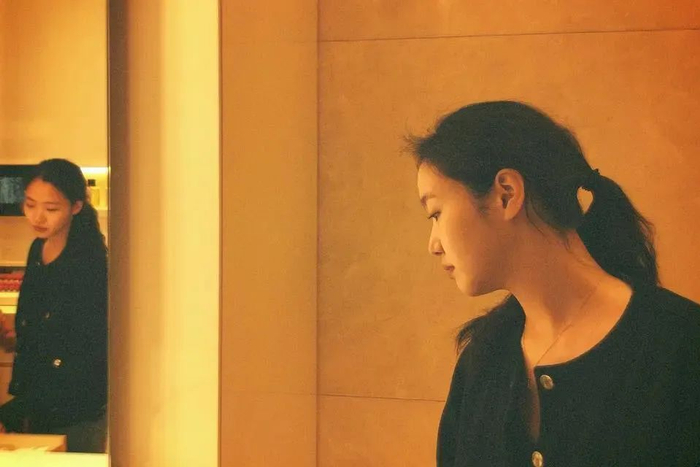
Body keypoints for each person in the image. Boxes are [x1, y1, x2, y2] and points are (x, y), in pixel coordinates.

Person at [411, 101, 700, 467]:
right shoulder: (482, 360)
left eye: (436, 213)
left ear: (506, 194)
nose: (433, 245)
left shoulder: (681, 345)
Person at [0, 159, 108, 453]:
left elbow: (78, 355)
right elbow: (42, 330)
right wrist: (14, 336)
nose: (37, 217)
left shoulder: (89, 266)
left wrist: (12, 411)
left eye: (50, 209)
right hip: (37, 403)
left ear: (76, 207)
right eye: (30, 204)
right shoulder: (38, 248)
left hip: (75, 409)